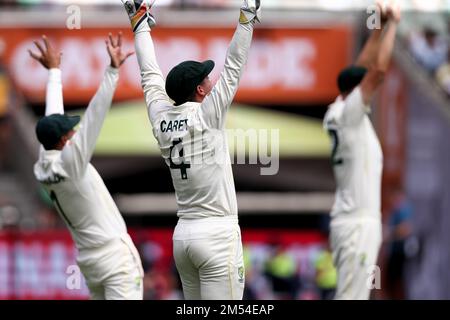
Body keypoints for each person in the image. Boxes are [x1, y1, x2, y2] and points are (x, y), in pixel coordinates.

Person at [121, 0, 260, 299]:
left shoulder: (161, 118)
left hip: (184, 236)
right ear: (199, 90)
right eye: (207, 79)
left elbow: (149, 76)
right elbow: (234, 67)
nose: (211, 82)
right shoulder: (206, 116)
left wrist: (140, 25)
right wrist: (247, 17)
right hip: (217, 235)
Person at [31, 34, 144, 300]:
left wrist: (54, 73)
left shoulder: (44, 161)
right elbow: (95, 116)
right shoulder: (72, 163)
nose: (73, 134)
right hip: (115, 260)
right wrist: (113, 71)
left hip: (89, 262)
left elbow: (51, 118)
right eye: (69, 133)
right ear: (63, 140)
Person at [323, 1, 401, 300]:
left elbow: (363, 69)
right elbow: (377, 72)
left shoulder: (338, 110)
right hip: (357, 224)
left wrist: (378, 27)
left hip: (353, 221)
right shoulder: (350, 115)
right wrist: (394, 23)